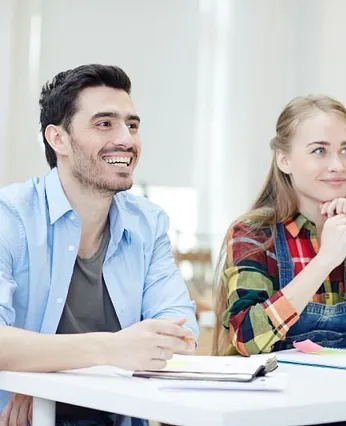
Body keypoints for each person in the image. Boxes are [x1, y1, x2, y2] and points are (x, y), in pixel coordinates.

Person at [0, 64, 198, 426]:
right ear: (57, 138)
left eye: (132, 125)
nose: (126, 139)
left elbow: (181, 331)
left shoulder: (148, 222)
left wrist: (38, 364)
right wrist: (111, 349)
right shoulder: (9, 217)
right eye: (104, 123)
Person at [212, 95, 346, 425]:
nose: (338, 164)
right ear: (284, 160)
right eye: (320, 150)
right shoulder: (253, 233)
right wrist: (325, 260)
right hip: (264, 414)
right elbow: (247, 337)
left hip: (339, 410)